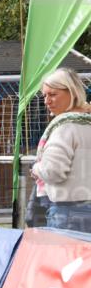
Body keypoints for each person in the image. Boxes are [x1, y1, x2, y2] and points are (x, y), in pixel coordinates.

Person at [30, 67, 91, 232]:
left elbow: (53, 172)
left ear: (72, 92)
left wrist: (36, 168)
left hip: (69, 213)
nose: (46, 101)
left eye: (53, 94)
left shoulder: (64, 128)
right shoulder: (86, 122)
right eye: (44, 95)